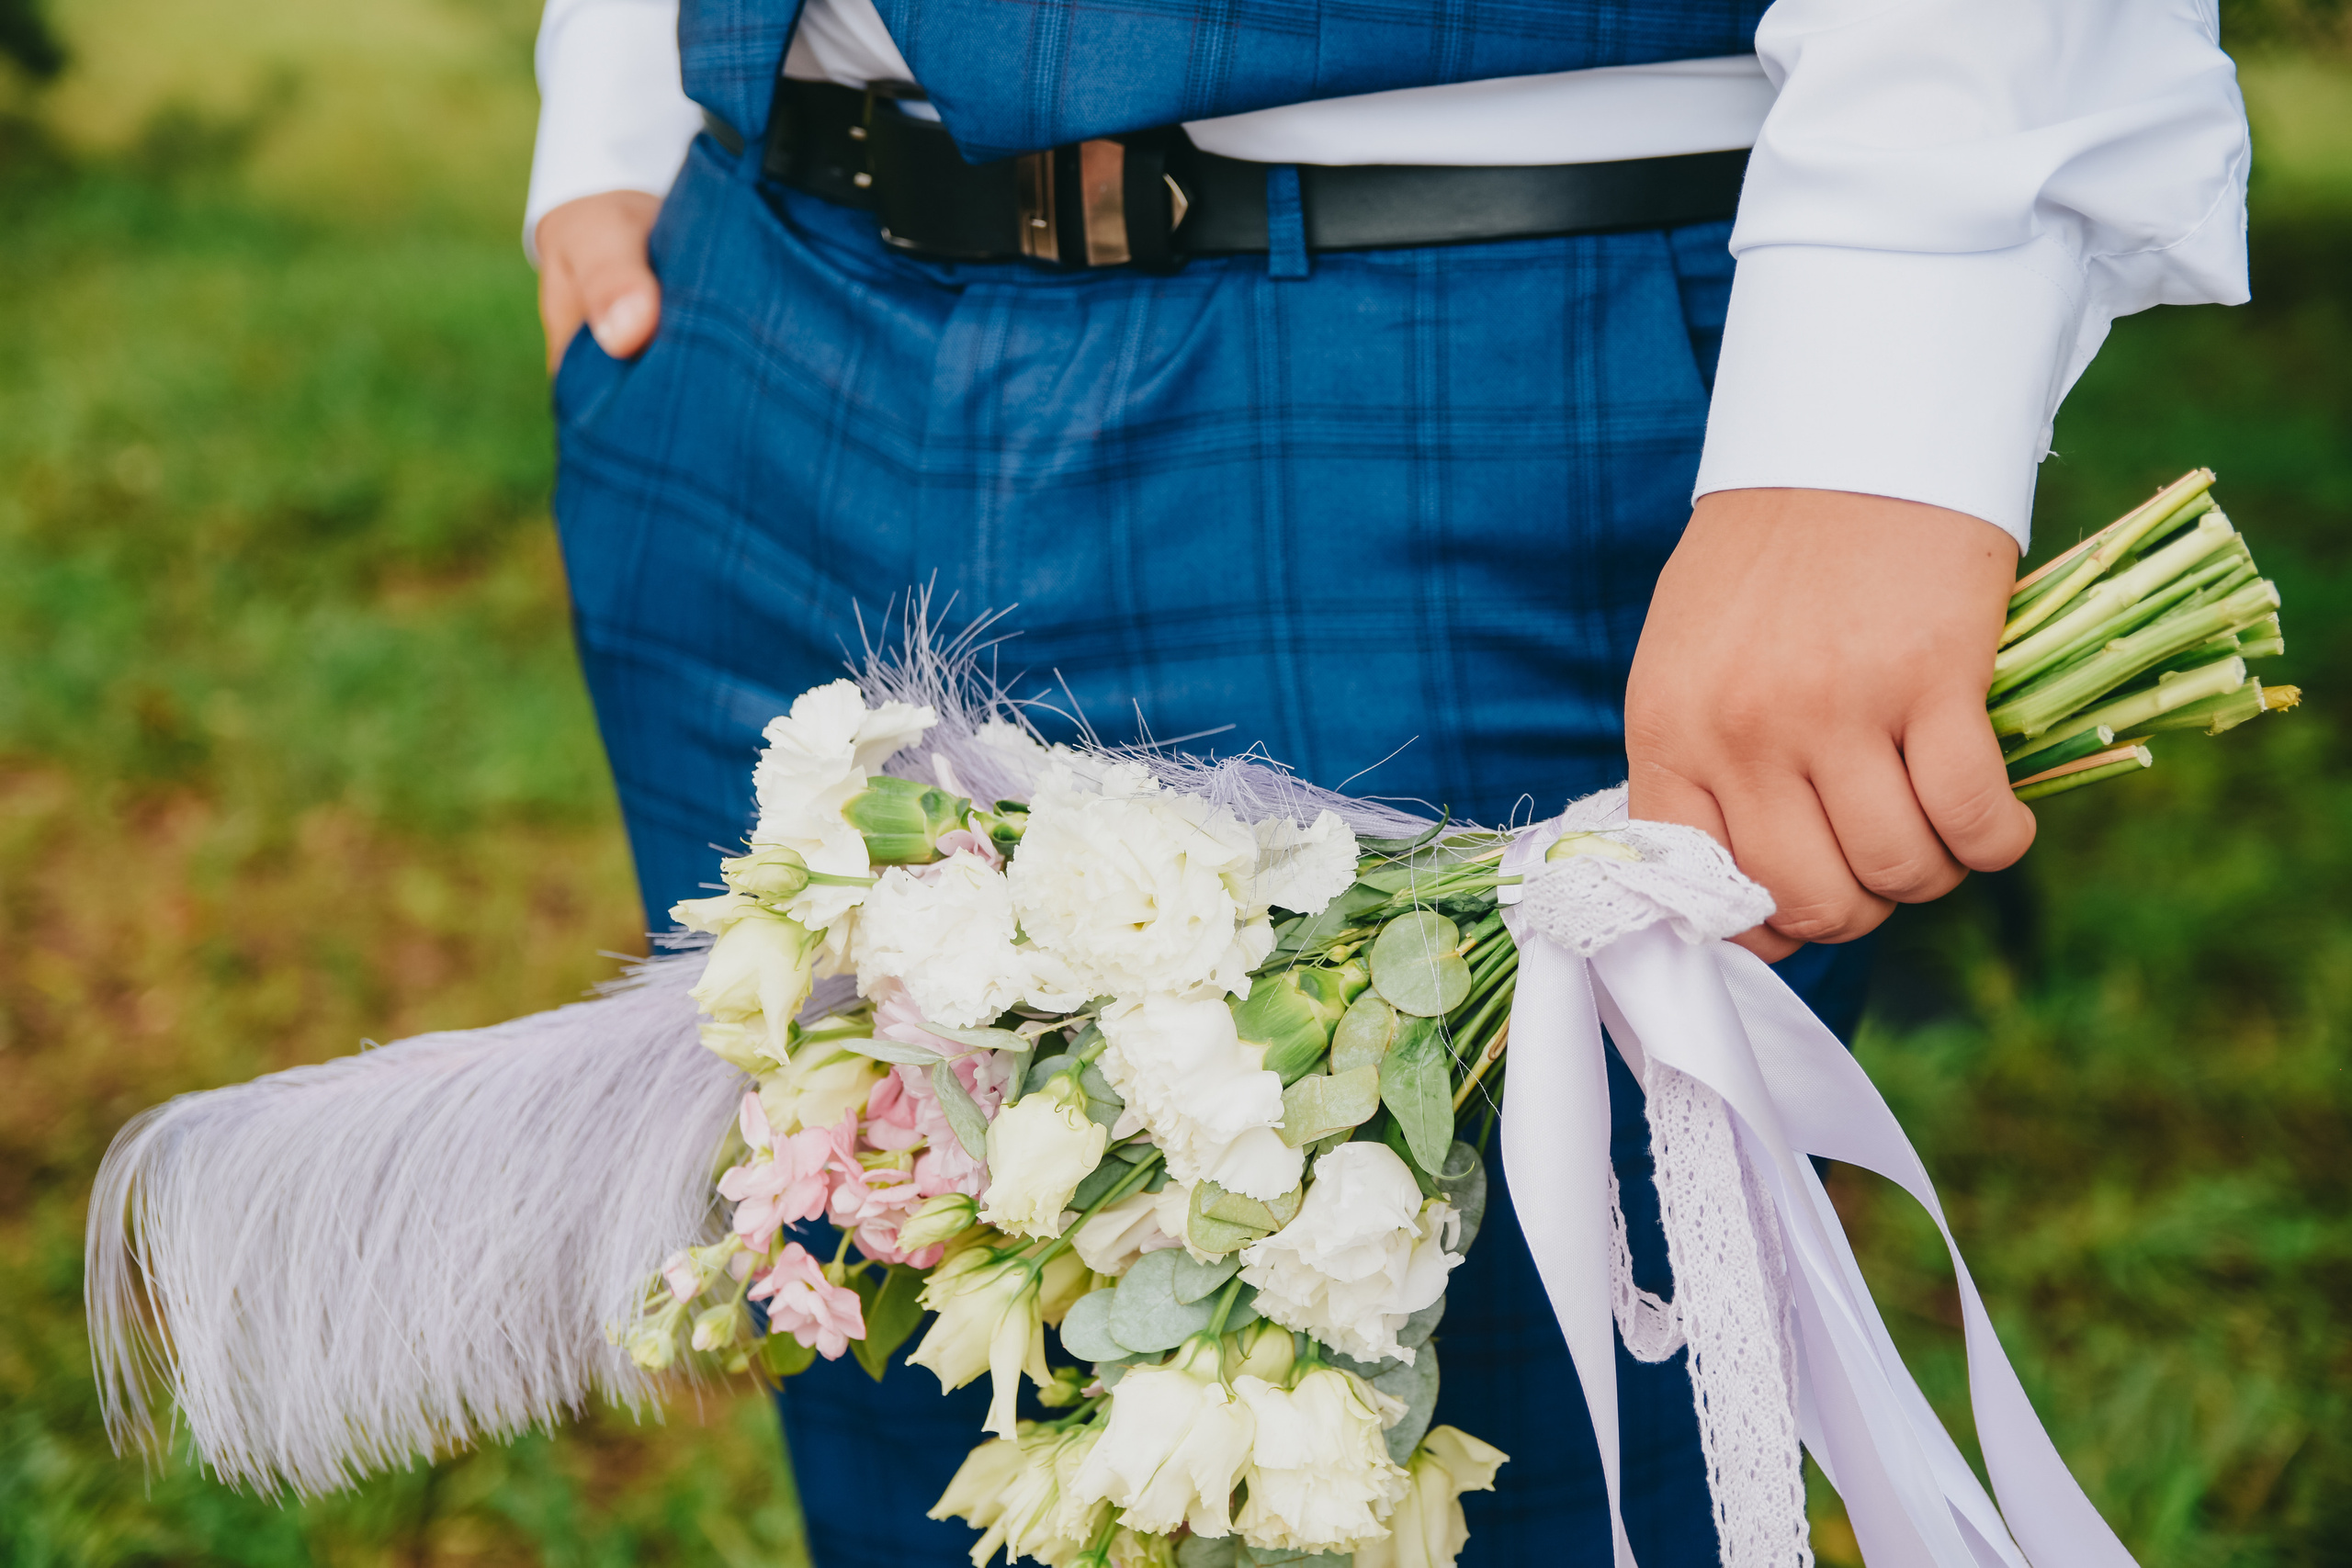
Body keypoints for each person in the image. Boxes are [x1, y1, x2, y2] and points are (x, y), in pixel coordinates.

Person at [522, 2, 2249, 1562]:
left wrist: (1881, 385)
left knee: (1491, 1457)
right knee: (914, 1367)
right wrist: (611, 105)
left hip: (1458, 337)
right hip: (769, 304)